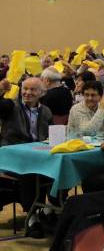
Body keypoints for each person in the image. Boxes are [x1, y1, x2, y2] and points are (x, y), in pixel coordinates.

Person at [0, 78, 54, 237]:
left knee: (56, 168)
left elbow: (50, 136)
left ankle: (50, 208)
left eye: (33, 90)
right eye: (25, 89)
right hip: (12, 157)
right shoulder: (11, 106)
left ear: (41, 93)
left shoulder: (46, 111)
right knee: (30, 172)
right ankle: (33, 218)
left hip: (38, 156)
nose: (28, 93)